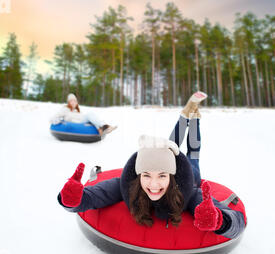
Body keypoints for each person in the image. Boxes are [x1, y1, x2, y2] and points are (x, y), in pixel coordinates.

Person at [57, 91, 245, 238]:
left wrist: (221, 221)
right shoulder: (127, 185)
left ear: (170, 177)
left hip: (190, 171)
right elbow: (95, 195)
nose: (154, 185)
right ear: (139, 175)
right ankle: (188, 114)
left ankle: (192, 118)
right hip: (166, 160)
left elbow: (237, 222)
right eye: (147, 175)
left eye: (162, 176)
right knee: (172, 144)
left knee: (191, 150)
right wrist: (71, 201)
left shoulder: (189, 193)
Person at [50, 93, 117, 136]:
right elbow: (54, 117)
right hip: (77, 122)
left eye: (74, 101)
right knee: (90, 114)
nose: (73, 102)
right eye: (71, 101)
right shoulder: (65, 109)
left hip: (81, 121)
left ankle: (101, 129)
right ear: (68, 102)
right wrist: (57, 121)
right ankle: (105, 126)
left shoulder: (77, 110)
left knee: (92, 117)